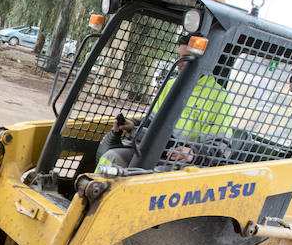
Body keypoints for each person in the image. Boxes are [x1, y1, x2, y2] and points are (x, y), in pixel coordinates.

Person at [97, 33, 233, 172]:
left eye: (186, 58)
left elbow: (220, 147)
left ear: (205, 61)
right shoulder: (170, 85)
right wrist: (134, 124)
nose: (179, 63)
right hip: (160, 152)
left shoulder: (218, 97)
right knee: (111, 157)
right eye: (179, 57)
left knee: (152, 174)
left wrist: (193, 153)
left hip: (189, 165)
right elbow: (154, 120)